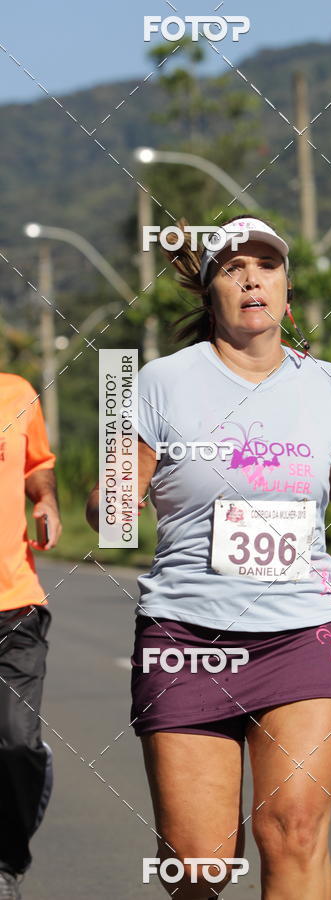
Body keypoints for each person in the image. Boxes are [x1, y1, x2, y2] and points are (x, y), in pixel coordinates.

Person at [85, 215, 331, 900]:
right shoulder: (159, 382)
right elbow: (115, 497)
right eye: (233, 267)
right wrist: (112, 500)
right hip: (189, 633)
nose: (252, 277)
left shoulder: (326, 384)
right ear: (211, 290)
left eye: (267, 264)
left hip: (299, 627)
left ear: (286, 284)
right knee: (200, 864)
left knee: (297, 831)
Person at [0, 373, 61, 899]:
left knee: (17, 742)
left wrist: (46, 500)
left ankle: (8, 858)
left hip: (15, 603)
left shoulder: (17, 394)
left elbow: (39, 466)